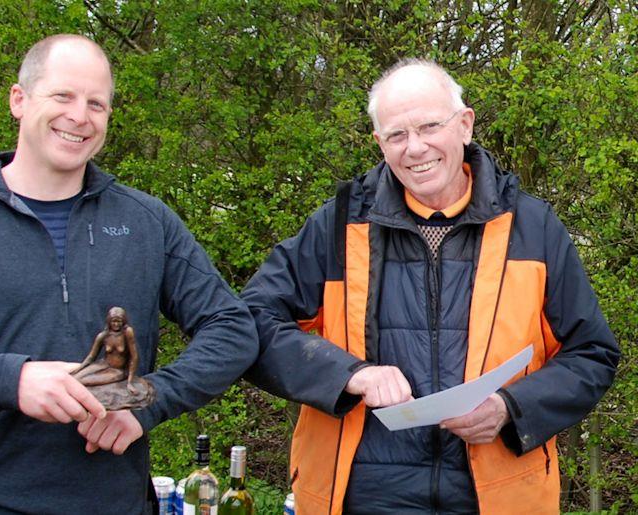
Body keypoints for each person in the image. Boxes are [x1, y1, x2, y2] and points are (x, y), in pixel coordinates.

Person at [0, 34, 258, 515]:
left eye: (97, 103)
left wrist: (150, 402)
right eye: (63, 96)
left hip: (114, 501)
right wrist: (12, 381)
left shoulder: (146, 221)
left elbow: (233, 328)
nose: (80, 115)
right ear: (19, 99)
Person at [241, 58, 619, 514]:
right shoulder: (338, 225)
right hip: (360, 496)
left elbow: (591, 353)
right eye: (397, 135)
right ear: (380, 144)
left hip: (497, 495)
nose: (415, 148)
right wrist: (351, 374)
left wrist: (509, 408)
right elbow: (252, 324)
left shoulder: (532, 226)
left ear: (465, 125)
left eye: (429, 126)